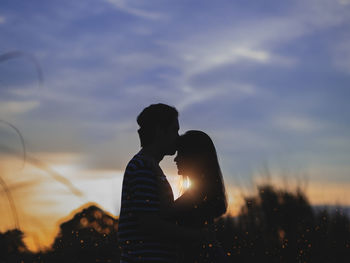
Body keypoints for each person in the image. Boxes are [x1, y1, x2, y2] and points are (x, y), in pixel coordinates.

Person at [118, 104, 209, 263]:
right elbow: (149, 224)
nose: (178, 137)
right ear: (160, 131)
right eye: (174, 130)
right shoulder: (142, 168)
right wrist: (198, 236)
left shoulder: (149, 167)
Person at [168, 130, 229, 263]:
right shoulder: (203, 197)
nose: (175, 159)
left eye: (181, 154)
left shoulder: (193, 201)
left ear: (193, 157)